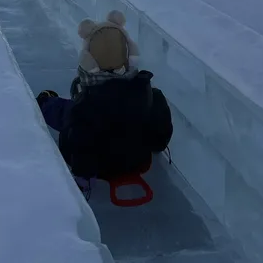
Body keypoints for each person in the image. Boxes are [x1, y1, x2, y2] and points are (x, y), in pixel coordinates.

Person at [37, 11, 173, 184]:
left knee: (69, 116)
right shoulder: (151, 95)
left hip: (100, 169)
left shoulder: (84, 106)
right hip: (139, 162)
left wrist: (45, 101)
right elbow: (160, 135)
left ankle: (46, 102)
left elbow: (73, 132)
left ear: (89, 62)